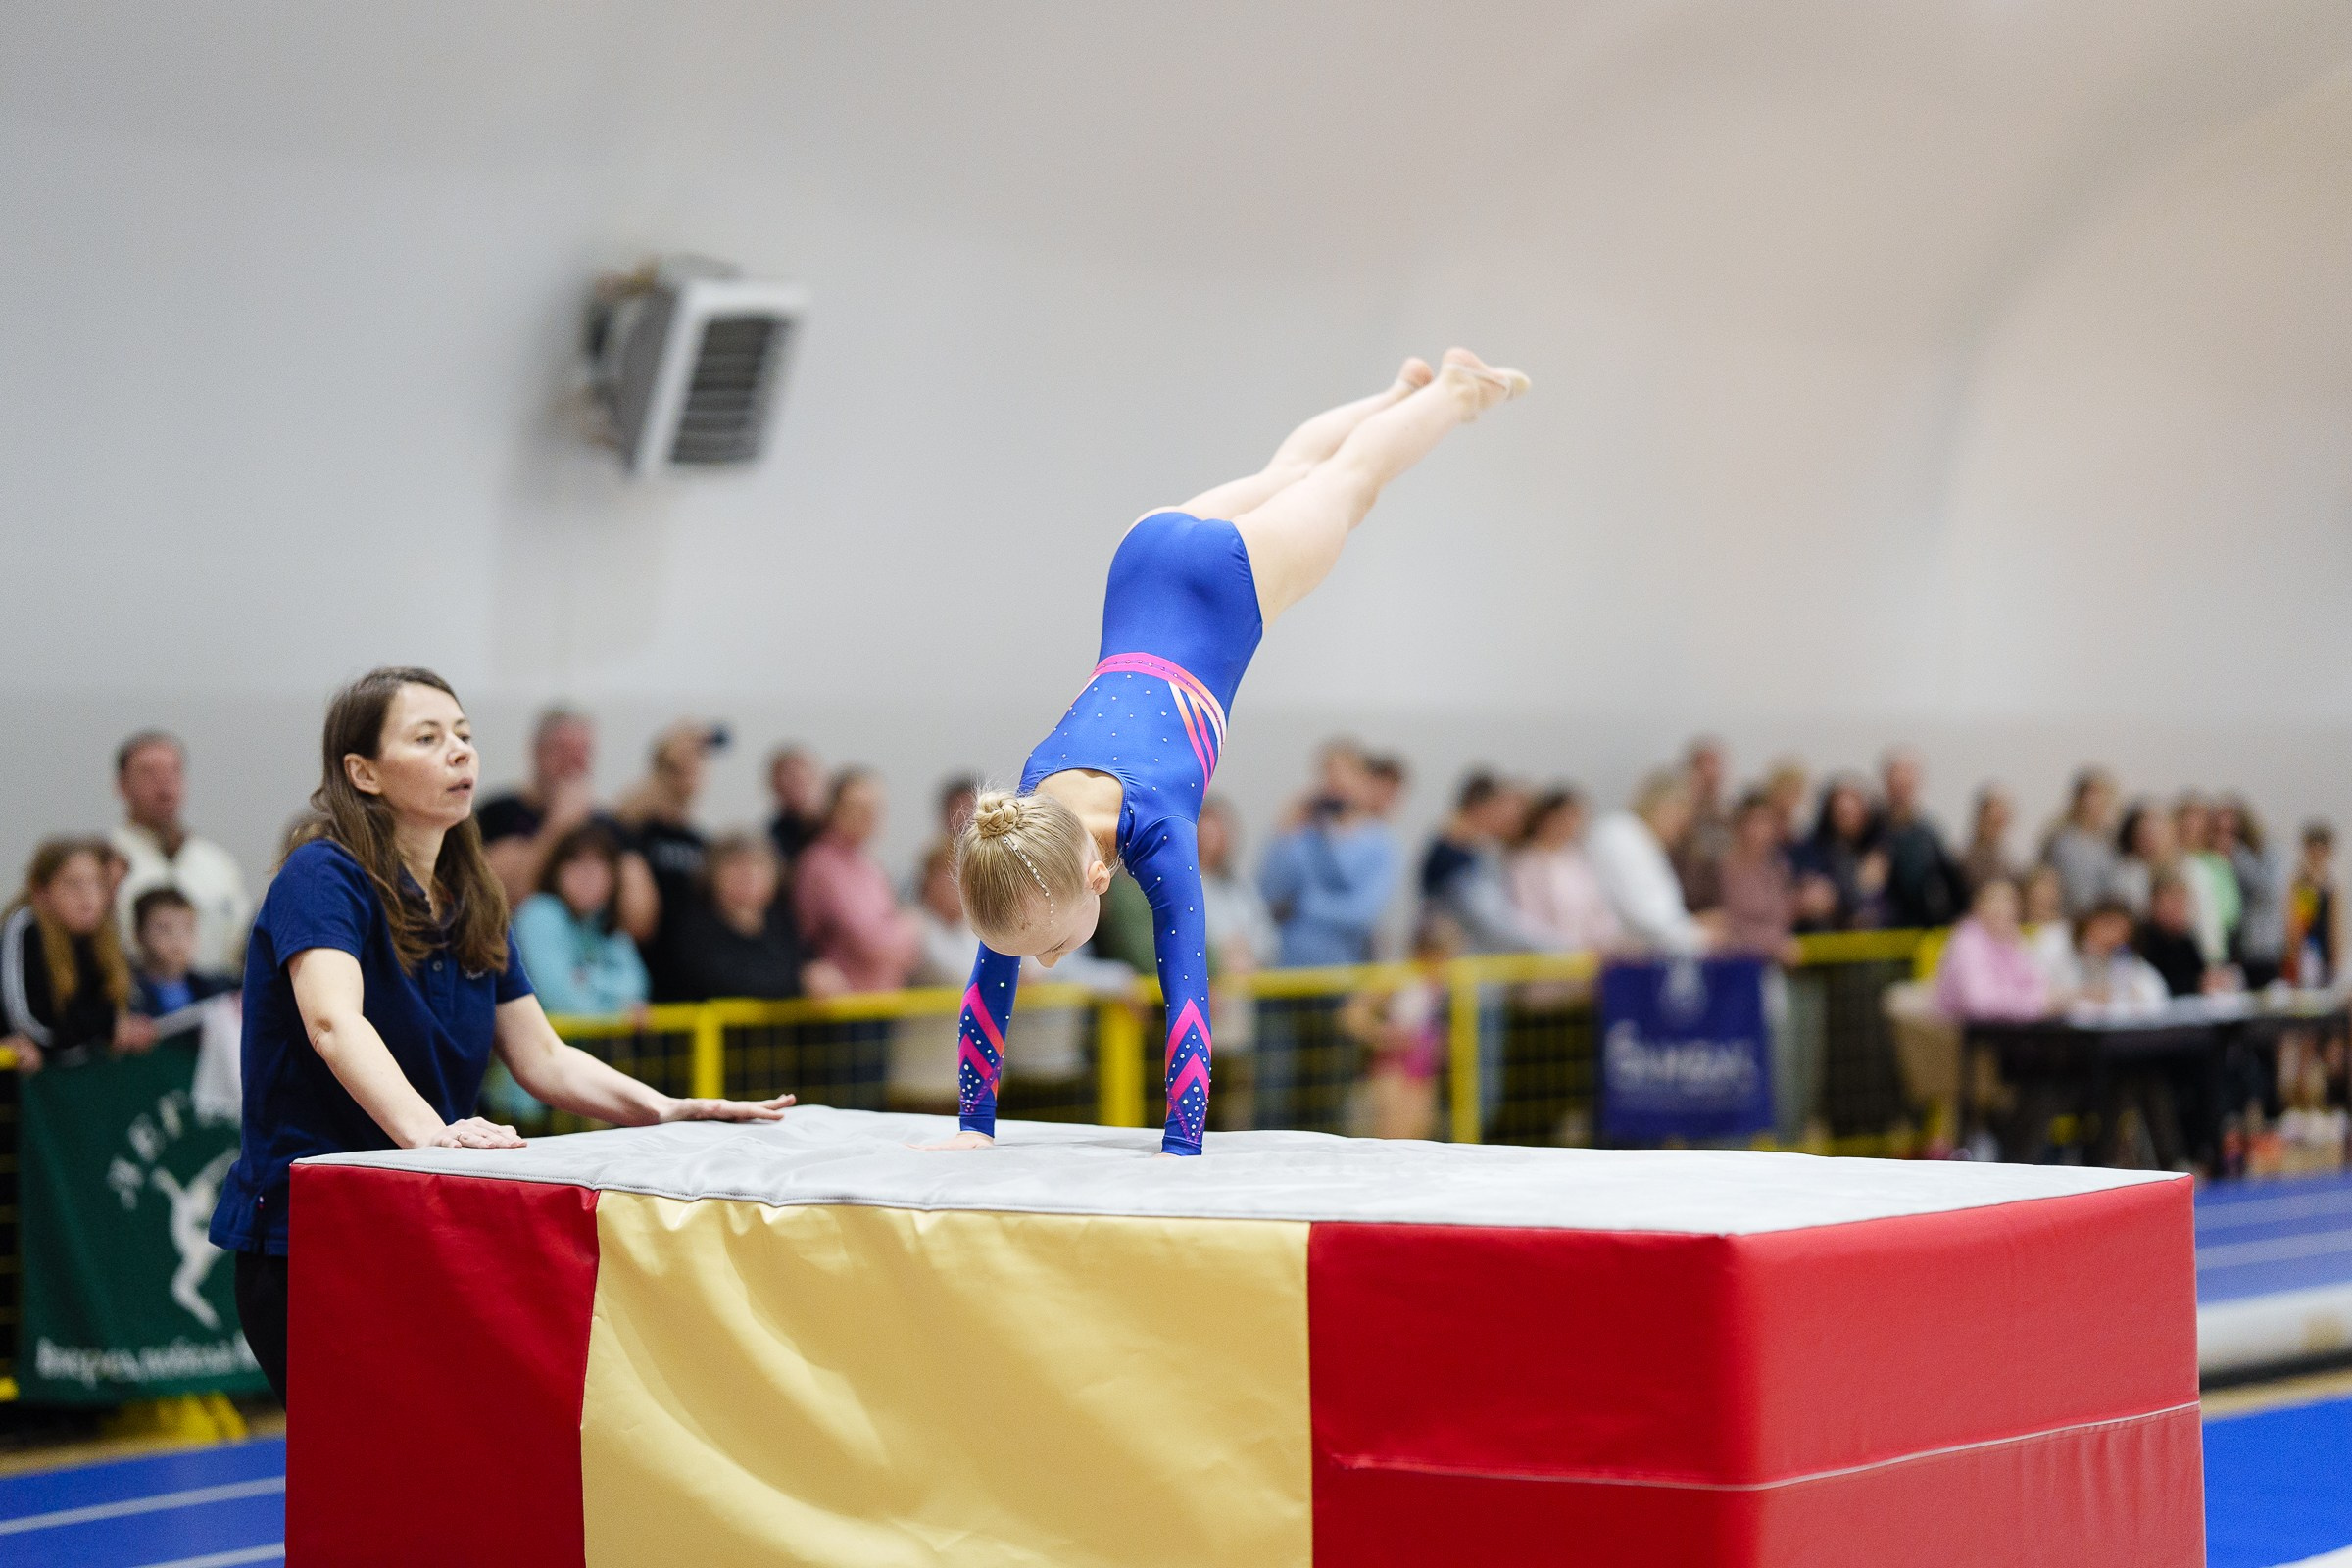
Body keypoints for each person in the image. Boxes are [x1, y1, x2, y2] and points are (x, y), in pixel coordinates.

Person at [931, 348, 1529, 1155]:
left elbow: (1187, 999)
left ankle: (1454, 393)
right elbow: (988, 984)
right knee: (1292, 468)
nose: (1036, 965)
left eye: (1052, 947)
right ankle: (1397, 390)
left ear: (1101, 876)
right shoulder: (1022, 840)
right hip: (1140, 558)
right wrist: (972, 1131)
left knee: (1352, 483)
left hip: (1228, 588)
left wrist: (1182, 1150)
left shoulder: (1158, 830)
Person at [208, 667, 793, 1401]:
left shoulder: (471, 892)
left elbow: (543, 1056)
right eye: (427, 738)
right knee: (367, 1476)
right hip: (314, 1234)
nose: (460, 753)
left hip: (425, 1219)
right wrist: (434, 1133)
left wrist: (666, 1107)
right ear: (363, 772)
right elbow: (333, 1022)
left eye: (464, 736)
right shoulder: (322, 875)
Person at [476, 708, 658, 944]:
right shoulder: (497, 813)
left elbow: (640, 921)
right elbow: (494, 902)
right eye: (562, 749)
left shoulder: (608, 826)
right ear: (536, 752)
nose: (573, 762)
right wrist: (559, 825)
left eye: (582, 751)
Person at [4, 838, 156, 1070]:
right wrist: (106, 1029)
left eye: (98, 884)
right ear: (41, 891)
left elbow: (115, 1005)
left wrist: (126, 1027)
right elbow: (33, 1026)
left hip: (75, 1079)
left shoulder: (103, 933)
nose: (88, 897)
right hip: (24, 1089)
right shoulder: (25, 927)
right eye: (73, 885)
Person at [111, 731, 254, 976]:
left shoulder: (217, 863)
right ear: (122, 785)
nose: (164, 784)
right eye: (148, 773)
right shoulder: (104, 863)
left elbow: (242, 944)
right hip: (138, 1002)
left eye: (173, 772)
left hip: (216, 997)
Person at [1258, 742, 1400, 967]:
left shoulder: (1378, 843)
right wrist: (1283, 833)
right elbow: (1269, 892)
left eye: (1346, 773)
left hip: (1343, 969)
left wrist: (1305, 905)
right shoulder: (1305, 834)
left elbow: (1363, 912)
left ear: (1363, 780)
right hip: (1289, 964)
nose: (1337, 782)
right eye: (1329, 773)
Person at [616, 721, 725, 1001]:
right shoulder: (635, 831)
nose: (689, 772)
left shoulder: (703, 842)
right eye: (678, 767)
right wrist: (667, 758)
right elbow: (615, 820)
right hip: (644, 978)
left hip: (691, 981)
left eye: (697, 765)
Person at [793, 769, 921, 994]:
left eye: (875, 808)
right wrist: (912, 927)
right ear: (834, 810)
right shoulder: (820, 863)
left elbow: (907, 951)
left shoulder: (871, 866)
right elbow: (870, 942)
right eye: (858, 807)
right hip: (841, 1008)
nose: (869, 816)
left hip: (881, 1000)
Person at [667, 833, 837, 1003]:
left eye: (758, 864)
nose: (747, 873)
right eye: (734, 864)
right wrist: (800, 984)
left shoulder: (782, 923)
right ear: (712, 874)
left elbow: (810, 964)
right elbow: (727, 982)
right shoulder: (695, 927)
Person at [510, 825, 651, 1018]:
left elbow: (637, 984)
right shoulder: (539, 912)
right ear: (556, 870)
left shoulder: (602, 920)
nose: (588, 875)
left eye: (600, 865)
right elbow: (559, 999)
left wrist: (589, 978)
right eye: (577, 862)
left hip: (580, 1044)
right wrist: (619, 1014)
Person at [1587, 769, 1708, 956]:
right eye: (1681, 816)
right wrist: (1700, 937)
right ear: (1664, 806)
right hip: (1618, 959)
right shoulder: (1621, 835)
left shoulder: (1645, 843)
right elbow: (1646, 915)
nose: (1683, 829)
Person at [1419, 772, 1539, 953]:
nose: (1516, 820)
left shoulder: (1486, 854)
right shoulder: (1454, 854)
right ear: (1485, 806)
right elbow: (1491, 921)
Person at [1506, 787, 1620, 954]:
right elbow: (1526, 921)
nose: (1571, 825)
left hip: (1587, 961)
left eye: (1576, 817)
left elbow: (1597, 909)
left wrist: (1606, 941)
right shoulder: (1525, 864)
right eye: (1567, 816)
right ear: (1547, 818)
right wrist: (1566, 947)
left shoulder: (1577, 860)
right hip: (1545, 961)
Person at [1933, 878, 2049, 1023]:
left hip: (2006, 1029)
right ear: (1978, 907)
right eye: (1996, 903)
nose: (2004, 909)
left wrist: (2036, 1001)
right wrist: (2034, 1003)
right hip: (1960, 1033)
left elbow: (2038, 985)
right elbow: (1980, 1003)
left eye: (2009, 903)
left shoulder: (2013, 938)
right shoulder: (1966, 940)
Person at [1877, 749, 1966, 928]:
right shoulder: (1871, 829)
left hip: (1921, 929)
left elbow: (1951, 879)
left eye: (1907, 782)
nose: (1901, 788)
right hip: (1881, 929)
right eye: (1896, 781)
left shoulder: (1929, 833)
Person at [1789, 775, 1886, 931]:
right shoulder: (1811, 849)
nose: (1847, 819)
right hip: (1827, 936)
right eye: (1841, 813)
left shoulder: (1879, 850)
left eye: (1851, 813)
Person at [130, 886, 239, 1021]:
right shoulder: (127, 995)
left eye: (187, 927)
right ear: (138, 934)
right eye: (164, 928)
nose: (177, 938)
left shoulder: (218, 989)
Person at [1714, 790, 1798, 962]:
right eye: (1756, 822)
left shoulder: (1778, 867)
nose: (1762, 831)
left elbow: (1780, 917)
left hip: (1776, 964)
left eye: (1768, 822)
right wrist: (1773, 943)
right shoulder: (1724, 869)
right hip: (1737, 964)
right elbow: (1727, 925)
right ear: (1740, 826)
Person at [2216, 797, 2288, 989]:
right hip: (2232, 947)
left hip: (2262, 947)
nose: (2225, 839)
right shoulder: (2217, 860)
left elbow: (2266, 890)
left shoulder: (2266, 852)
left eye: (2232, 833)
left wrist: (2237, 854)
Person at [2053, 900, 2169, 1015]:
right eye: (2108, 925)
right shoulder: (2064, 954)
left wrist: (2129, 995)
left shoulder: (2133, 965)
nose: (2113, 936)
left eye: (2122, 931)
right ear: (2088, 925)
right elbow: (2045, 1001)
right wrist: (2085, 993)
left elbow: (2157, 1000)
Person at [2043, 769, 2121, 919]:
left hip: (2101, 921)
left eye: (2100, 795)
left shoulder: (2112, 842)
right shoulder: (2059, 840)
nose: (2092, 802)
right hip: (2066, 918)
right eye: (2089, 794)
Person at [2175, 793, 2239, 966]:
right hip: (2179, 946)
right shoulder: (2171, 860)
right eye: (2187, 818)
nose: (2192, 825)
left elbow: (2231, 913)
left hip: (2214, 947)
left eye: (2198, 819)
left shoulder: (2218, 863)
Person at [2137, 873, 2223, 998]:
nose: (2176, 909)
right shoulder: (2141, 942)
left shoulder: (2186, 942)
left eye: (2180, 903)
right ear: (2154, 904)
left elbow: (2201, 979)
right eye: (2170, 902)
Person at [1671, 737, 1732, 913]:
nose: (1712, 775)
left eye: (1717, 768)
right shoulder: (1678, 818)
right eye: (1706, 768)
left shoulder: (1726, 818)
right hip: (1686, 906)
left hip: (1721, 906)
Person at [2288, 822, 2339, 987]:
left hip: (2325, 950)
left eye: (2321, 850)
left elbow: (2335, 926)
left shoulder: (2331, 888)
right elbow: (2296, 923)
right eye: (2313, 849)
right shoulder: (2299, 884)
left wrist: (2335, 958)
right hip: (2306, 950)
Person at [2107, 801, 2177, 919]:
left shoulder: (2189, 870)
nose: (2152, 841)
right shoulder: (2123, 874)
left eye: (2157, 834)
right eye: (2145, 835)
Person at [764, 745, 827, 866]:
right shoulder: (770, 840)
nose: (796, 782)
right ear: (774, 784)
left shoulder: (836, 829)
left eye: (801, 776)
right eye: (788, 777)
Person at [1959, 785, 2019, 901]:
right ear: (1981, 819)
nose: (1996, 828)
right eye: (1992, 821)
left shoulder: (2010, 862)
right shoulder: (1964, 859)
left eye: (2000, 822)